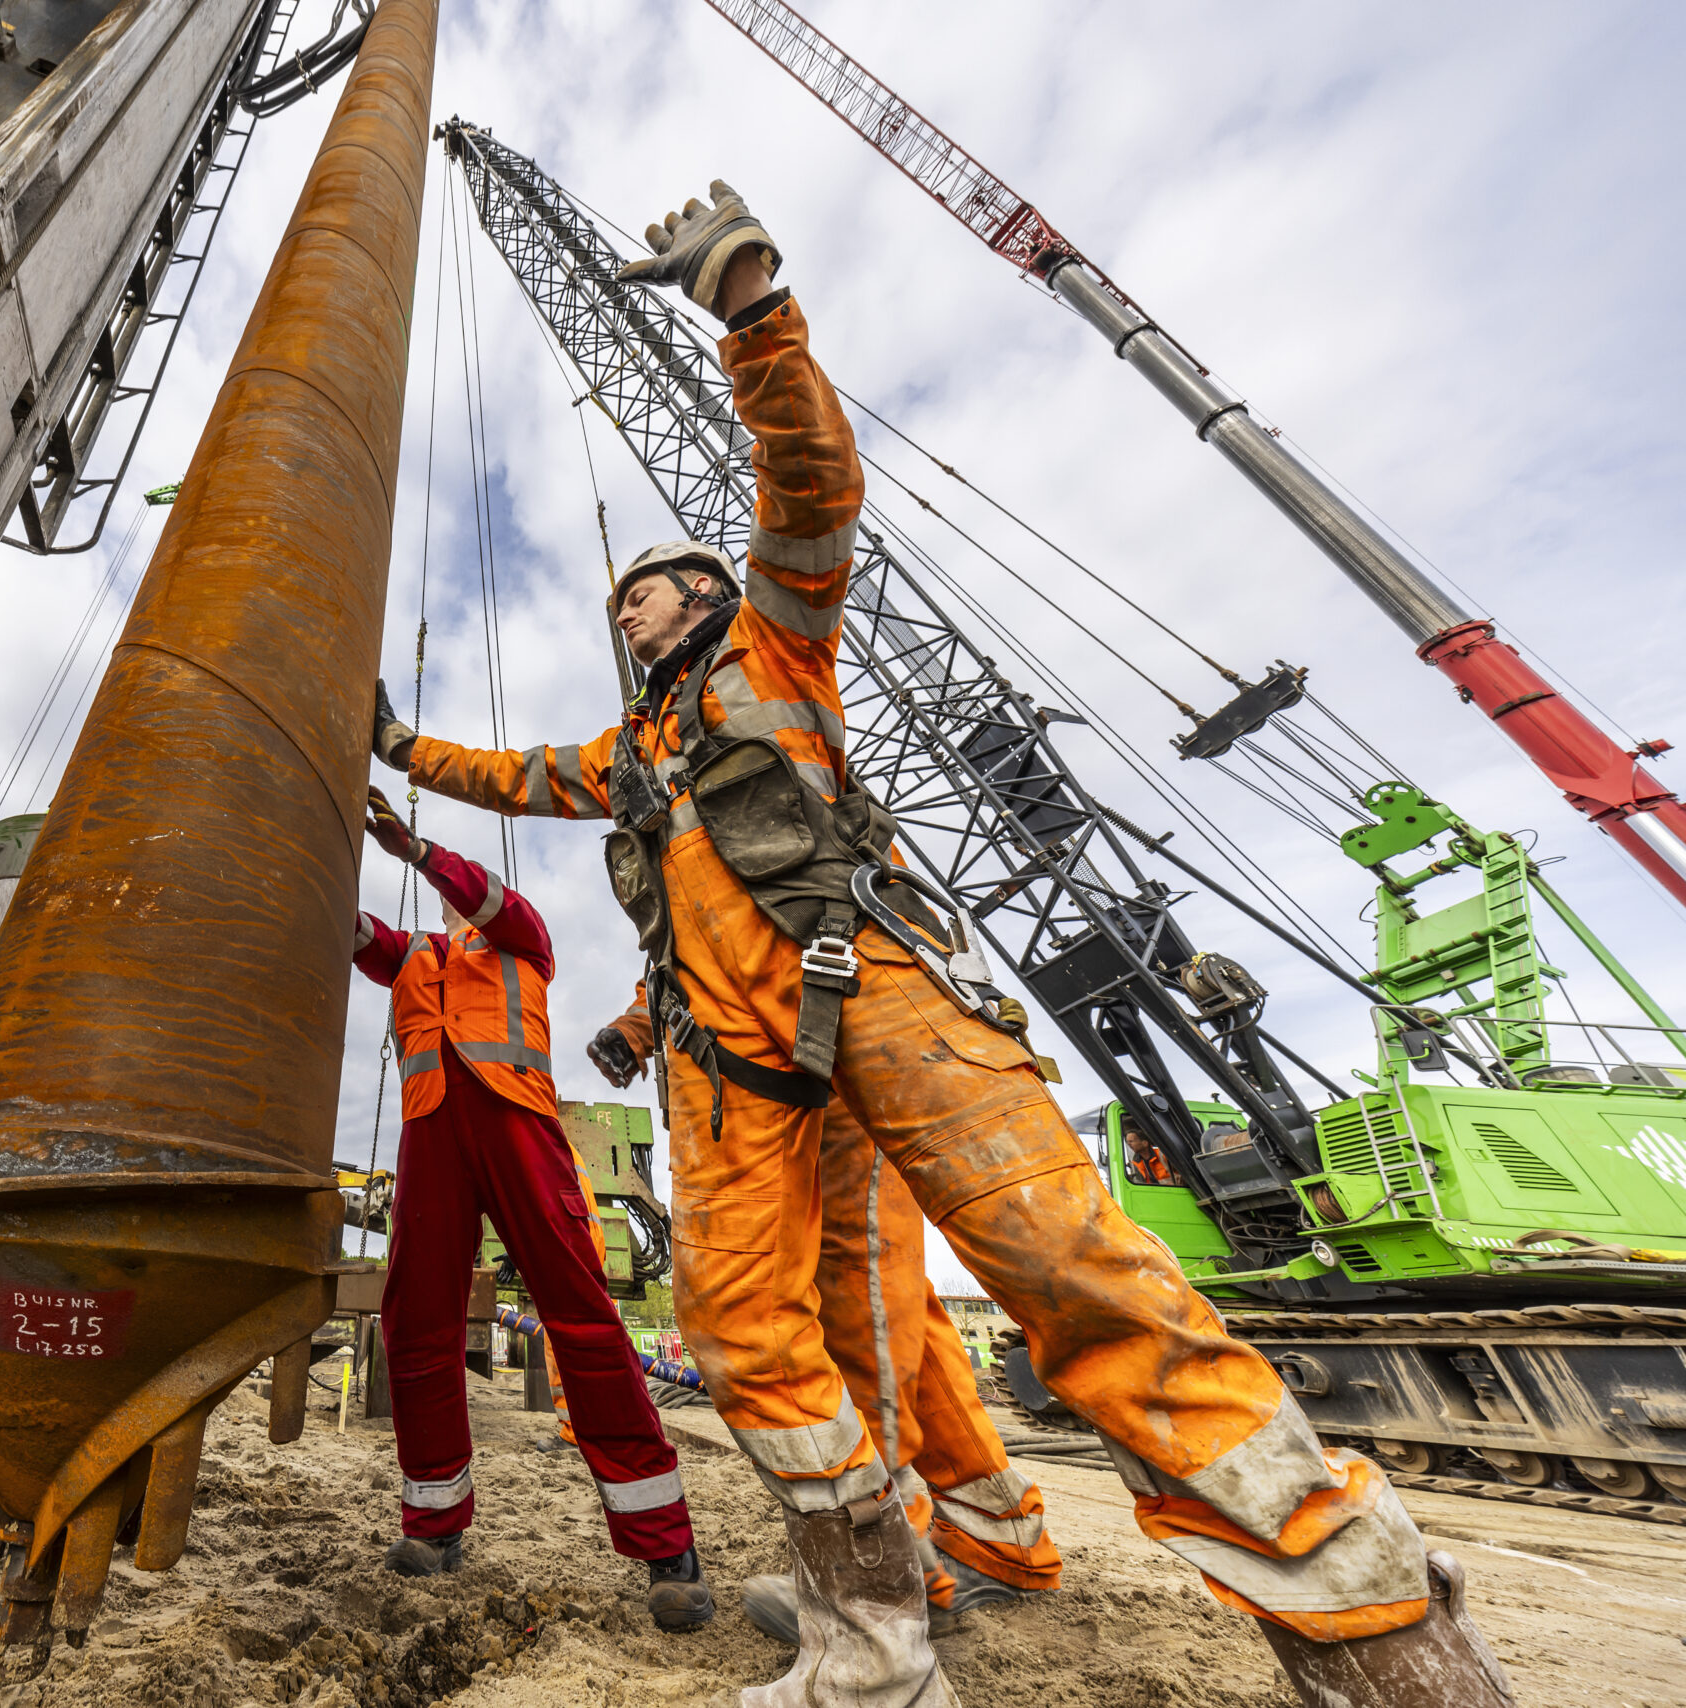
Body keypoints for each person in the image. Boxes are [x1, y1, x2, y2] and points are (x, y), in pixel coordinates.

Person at [367, 182, 1512, 1708]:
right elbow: (510, 782)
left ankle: (1373, 1632)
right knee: (754, 1330)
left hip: (881, 996)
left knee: (1068, 1268)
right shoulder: (625, 751)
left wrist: (754, 317)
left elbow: (809, 487)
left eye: (650, 588)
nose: (629, 609)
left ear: (706, 596)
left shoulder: (780, 640)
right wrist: (391, 746)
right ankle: (873, 1649)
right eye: (622, 602)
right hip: (730, 1067)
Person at [350, 786, 713, 1632]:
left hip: (518, 1127)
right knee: (416, 1325)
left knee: (581, 1317)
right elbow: (359, 935)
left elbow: (483, 891)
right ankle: (434, 1527)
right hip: (432, 1135)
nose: (449, 901)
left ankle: (666, 1546)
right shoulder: (412, 956)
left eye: (452, 889)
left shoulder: (521, 933)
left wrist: (415, 848)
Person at [591, 994, 1064, 1636]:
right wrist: (636, 1029)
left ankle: (889, 1571)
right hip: (789, 1064)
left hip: (815, 1060)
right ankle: (996, 1526)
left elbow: (735, 932)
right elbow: (685, 952)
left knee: (857, 1295)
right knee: (895, 1309)